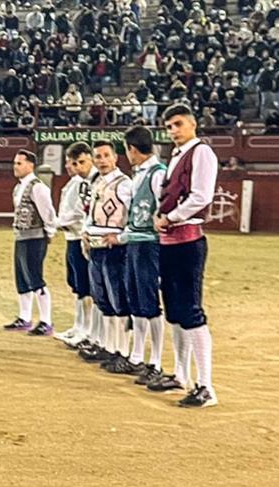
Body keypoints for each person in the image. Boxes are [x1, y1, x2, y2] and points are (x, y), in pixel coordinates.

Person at [151, 104, 218, 408]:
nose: (173, 130)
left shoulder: (201, 152)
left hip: (187, 240)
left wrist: (170, 216)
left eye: (178, 124)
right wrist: (161, 216)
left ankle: (206, 386)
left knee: (190, 310)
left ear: (193, 124)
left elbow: (201, 196)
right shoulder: (178, 155)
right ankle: (181, 374)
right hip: (170, 240)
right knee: (175, 312)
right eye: (168, 126)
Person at [103, 125, 167, 386]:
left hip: (149, 246)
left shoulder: (157, 173)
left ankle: (156, 363)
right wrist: (122, 238)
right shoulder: (143, 173)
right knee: (138, 303)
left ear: (131, 149)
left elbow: (163, 211)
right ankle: (138, 356)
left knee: (149, 304)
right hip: (136, 244)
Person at [81, 140, 136, 372]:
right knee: (102, 299)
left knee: (118, 300)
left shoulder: (125, 184)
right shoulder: (97, 182)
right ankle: (110, 346)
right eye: (98, 156)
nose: (102, 160)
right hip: (96, 245)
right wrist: (85, 231)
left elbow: (134, 216)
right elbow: (90, 213)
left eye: (106, 155)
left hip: (115, 248)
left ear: (115, 158)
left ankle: (123, 352)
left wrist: (122, 237)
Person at [3, 150, 56, 335]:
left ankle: (46, 321)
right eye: (15, 163)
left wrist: (50, 231)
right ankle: (24, 317)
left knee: (35, 278)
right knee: (22, 279)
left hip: (35, 238)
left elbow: (48, 212)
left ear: (30, 165)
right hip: (21, 237)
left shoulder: (37, 187)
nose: (15, 167)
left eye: (19, 163)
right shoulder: (19, 187)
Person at [54, 142, 96, 347]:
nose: (71, 167)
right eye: (70, 163)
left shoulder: (86, 182)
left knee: (85, 286)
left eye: (76, 162)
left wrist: (58, 222)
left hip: (81, 237)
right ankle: (79, 326)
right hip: (72, 237)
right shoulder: (76, 182)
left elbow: (81, 212)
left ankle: (86, 329)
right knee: (77, 285)